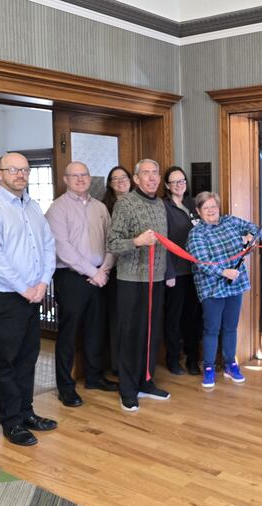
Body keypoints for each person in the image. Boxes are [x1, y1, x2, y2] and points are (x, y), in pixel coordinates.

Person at [0, 152, 57, 446]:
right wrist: (25, 288)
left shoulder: (32, 207)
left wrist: (44, 282)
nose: (20, 174)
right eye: (13, 170)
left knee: (28, 358)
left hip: (33, 294)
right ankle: (11, 422)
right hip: (3, 298)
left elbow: (48, 245)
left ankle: (26, 412)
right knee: (5, 362)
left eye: (25, 170)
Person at [45, 161, 118, 407]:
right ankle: (66, 387)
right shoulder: (57, 208)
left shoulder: (100, 208)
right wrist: (92, 272)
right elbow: (62, 248)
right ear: (65, 179)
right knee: (68, 334)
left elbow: (112, 240)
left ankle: (94, 377)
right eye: (74, 176)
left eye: (83, 175)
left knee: (96, 329)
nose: (80, 179)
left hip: (100, 275)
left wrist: (104, 269)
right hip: (71, 278)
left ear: (90, 178)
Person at [106, 159, 173, 412]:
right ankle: (128, 389)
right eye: (146, 173)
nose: (152, 177)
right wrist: (136, 241)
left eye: (155, 173)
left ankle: (146, 381)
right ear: (136, 179)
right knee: (130, 335)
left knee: (152, 333)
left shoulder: (160, 204)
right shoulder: (125, 204)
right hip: (131, 281)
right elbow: (112, 243)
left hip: (156, 280)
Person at [186, 192, 259, 389]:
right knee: (211, 329)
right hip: (212, 288)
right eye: (206, 208)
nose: (211, 211)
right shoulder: (197, 233)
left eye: (214, 206)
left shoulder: (230, 221)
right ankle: (209, 367)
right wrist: (223, 272)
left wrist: (251, 236)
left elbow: (254, 228)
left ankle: (230, 364)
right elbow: (202, 262)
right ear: (199, 212)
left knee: (230, 328)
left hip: (235, 285)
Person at [162, 166, 202, 376]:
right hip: (175, 273)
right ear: (167, 185)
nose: (179, 185)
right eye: (174, 182)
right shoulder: (163, 207)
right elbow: (162, 242)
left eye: (182, 181)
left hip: (195, 272)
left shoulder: (192, 204)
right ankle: (173, 360)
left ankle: (193, 359)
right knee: (174, 319)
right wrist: (168, 272)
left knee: (193, 318)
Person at [102, 165, 133, 377]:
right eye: (115, 179)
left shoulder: (142, 204)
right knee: (117, 319)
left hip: (138, 270)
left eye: (124, 177)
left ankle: (134, 364)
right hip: (113, 271)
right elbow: (108, 242)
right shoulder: (105, 207)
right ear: (110, 184)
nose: (120, 181)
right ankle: (117, 365)